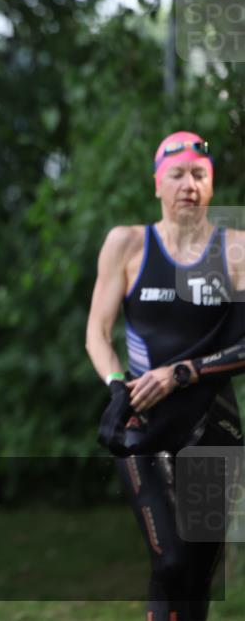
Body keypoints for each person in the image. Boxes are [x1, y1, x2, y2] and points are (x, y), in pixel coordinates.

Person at [85, 131, 245, 620]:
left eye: (200, 175)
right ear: (157, 183)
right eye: (176, 175)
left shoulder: (237, 250)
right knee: (170, 558)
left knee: (194, 575)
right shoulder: (128, 244)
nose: (188, 185)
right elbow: (97, 331)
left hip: (213, 425)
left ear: (212, 186)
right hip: (145, 423)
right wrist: (118, 388)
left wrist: (183, 373)